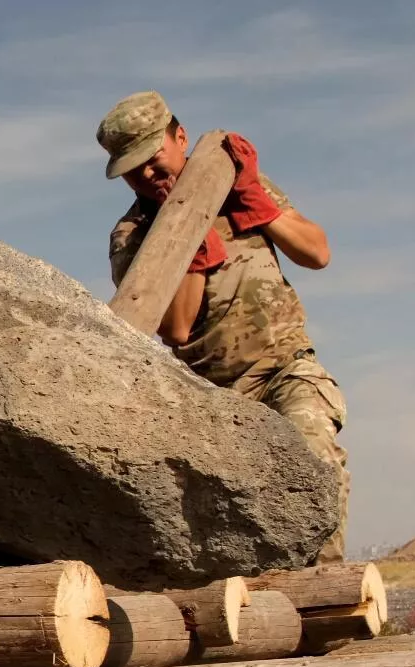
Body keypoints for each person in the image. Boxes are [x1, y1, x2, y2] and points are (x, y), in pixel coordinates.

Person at [97, 90, 348, 564]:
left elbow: (317, 253)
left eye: (153, 157)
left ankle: (327, 589)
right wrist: (192, 244)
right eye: (132, 169)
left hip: (284, 367)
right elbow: (175, 329)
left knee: (313, 455)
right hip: (213, 394)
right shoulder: (133, 235)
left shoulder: (238, 186)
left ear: (181, 137)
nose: (148, 173)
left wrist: (257, 205)